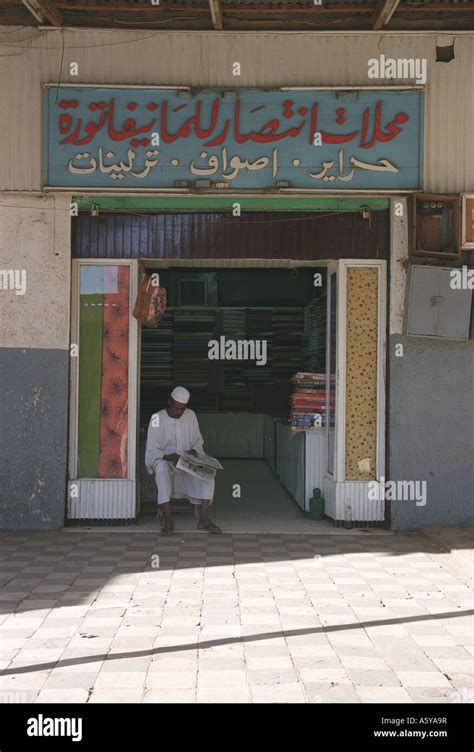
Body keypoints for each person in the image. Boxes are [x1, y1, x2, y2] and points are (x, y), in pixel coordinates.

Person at [145, 386, 222, 535]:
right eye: (176, 408)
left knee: (209, 474)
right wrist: (169, 456)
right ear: (169, 403)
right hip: (165, 460)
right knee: (160, 469)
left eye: (182, 409)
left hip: (187, 460)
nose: (179, 412)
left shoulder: (191, 415)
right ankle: (168, 519)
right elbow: (152, 449)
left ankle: (204, 518)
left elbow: (198, 441)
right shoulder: (157, 418)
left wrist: (193, 452)